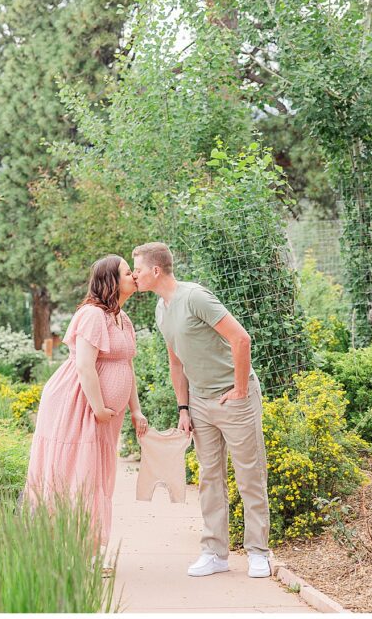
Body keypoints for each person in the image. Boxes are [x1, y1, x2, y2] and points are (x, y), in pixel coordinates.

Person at [131, 242, 271, 579]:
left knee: (250, 476)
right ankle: (214, 553)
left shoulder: (195, 297)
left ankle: (258, 553)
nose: (133, 274)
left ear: (155, 270)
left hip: (233, 399)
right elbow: (175, 361)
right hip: (200, 404)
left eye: (136, 268)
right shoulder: (161, 310)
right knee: (210, 479)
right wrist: (184, 407)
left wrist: (239, 390)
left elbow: (241, 339)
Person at [25, 254, 148, 570]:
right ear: (111, 281)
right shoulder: (93, 315)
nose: (133, 275)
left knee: (96, 478)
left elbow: (126, 365)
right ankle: (74, 552)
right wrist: (98, 408)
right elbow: (83, 364)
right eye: (126, 272)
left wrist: (135, 410)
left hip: (106, 414)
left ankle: (87, 550)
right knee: (78, 475)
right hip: (80, 404)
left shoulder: (123, 317)